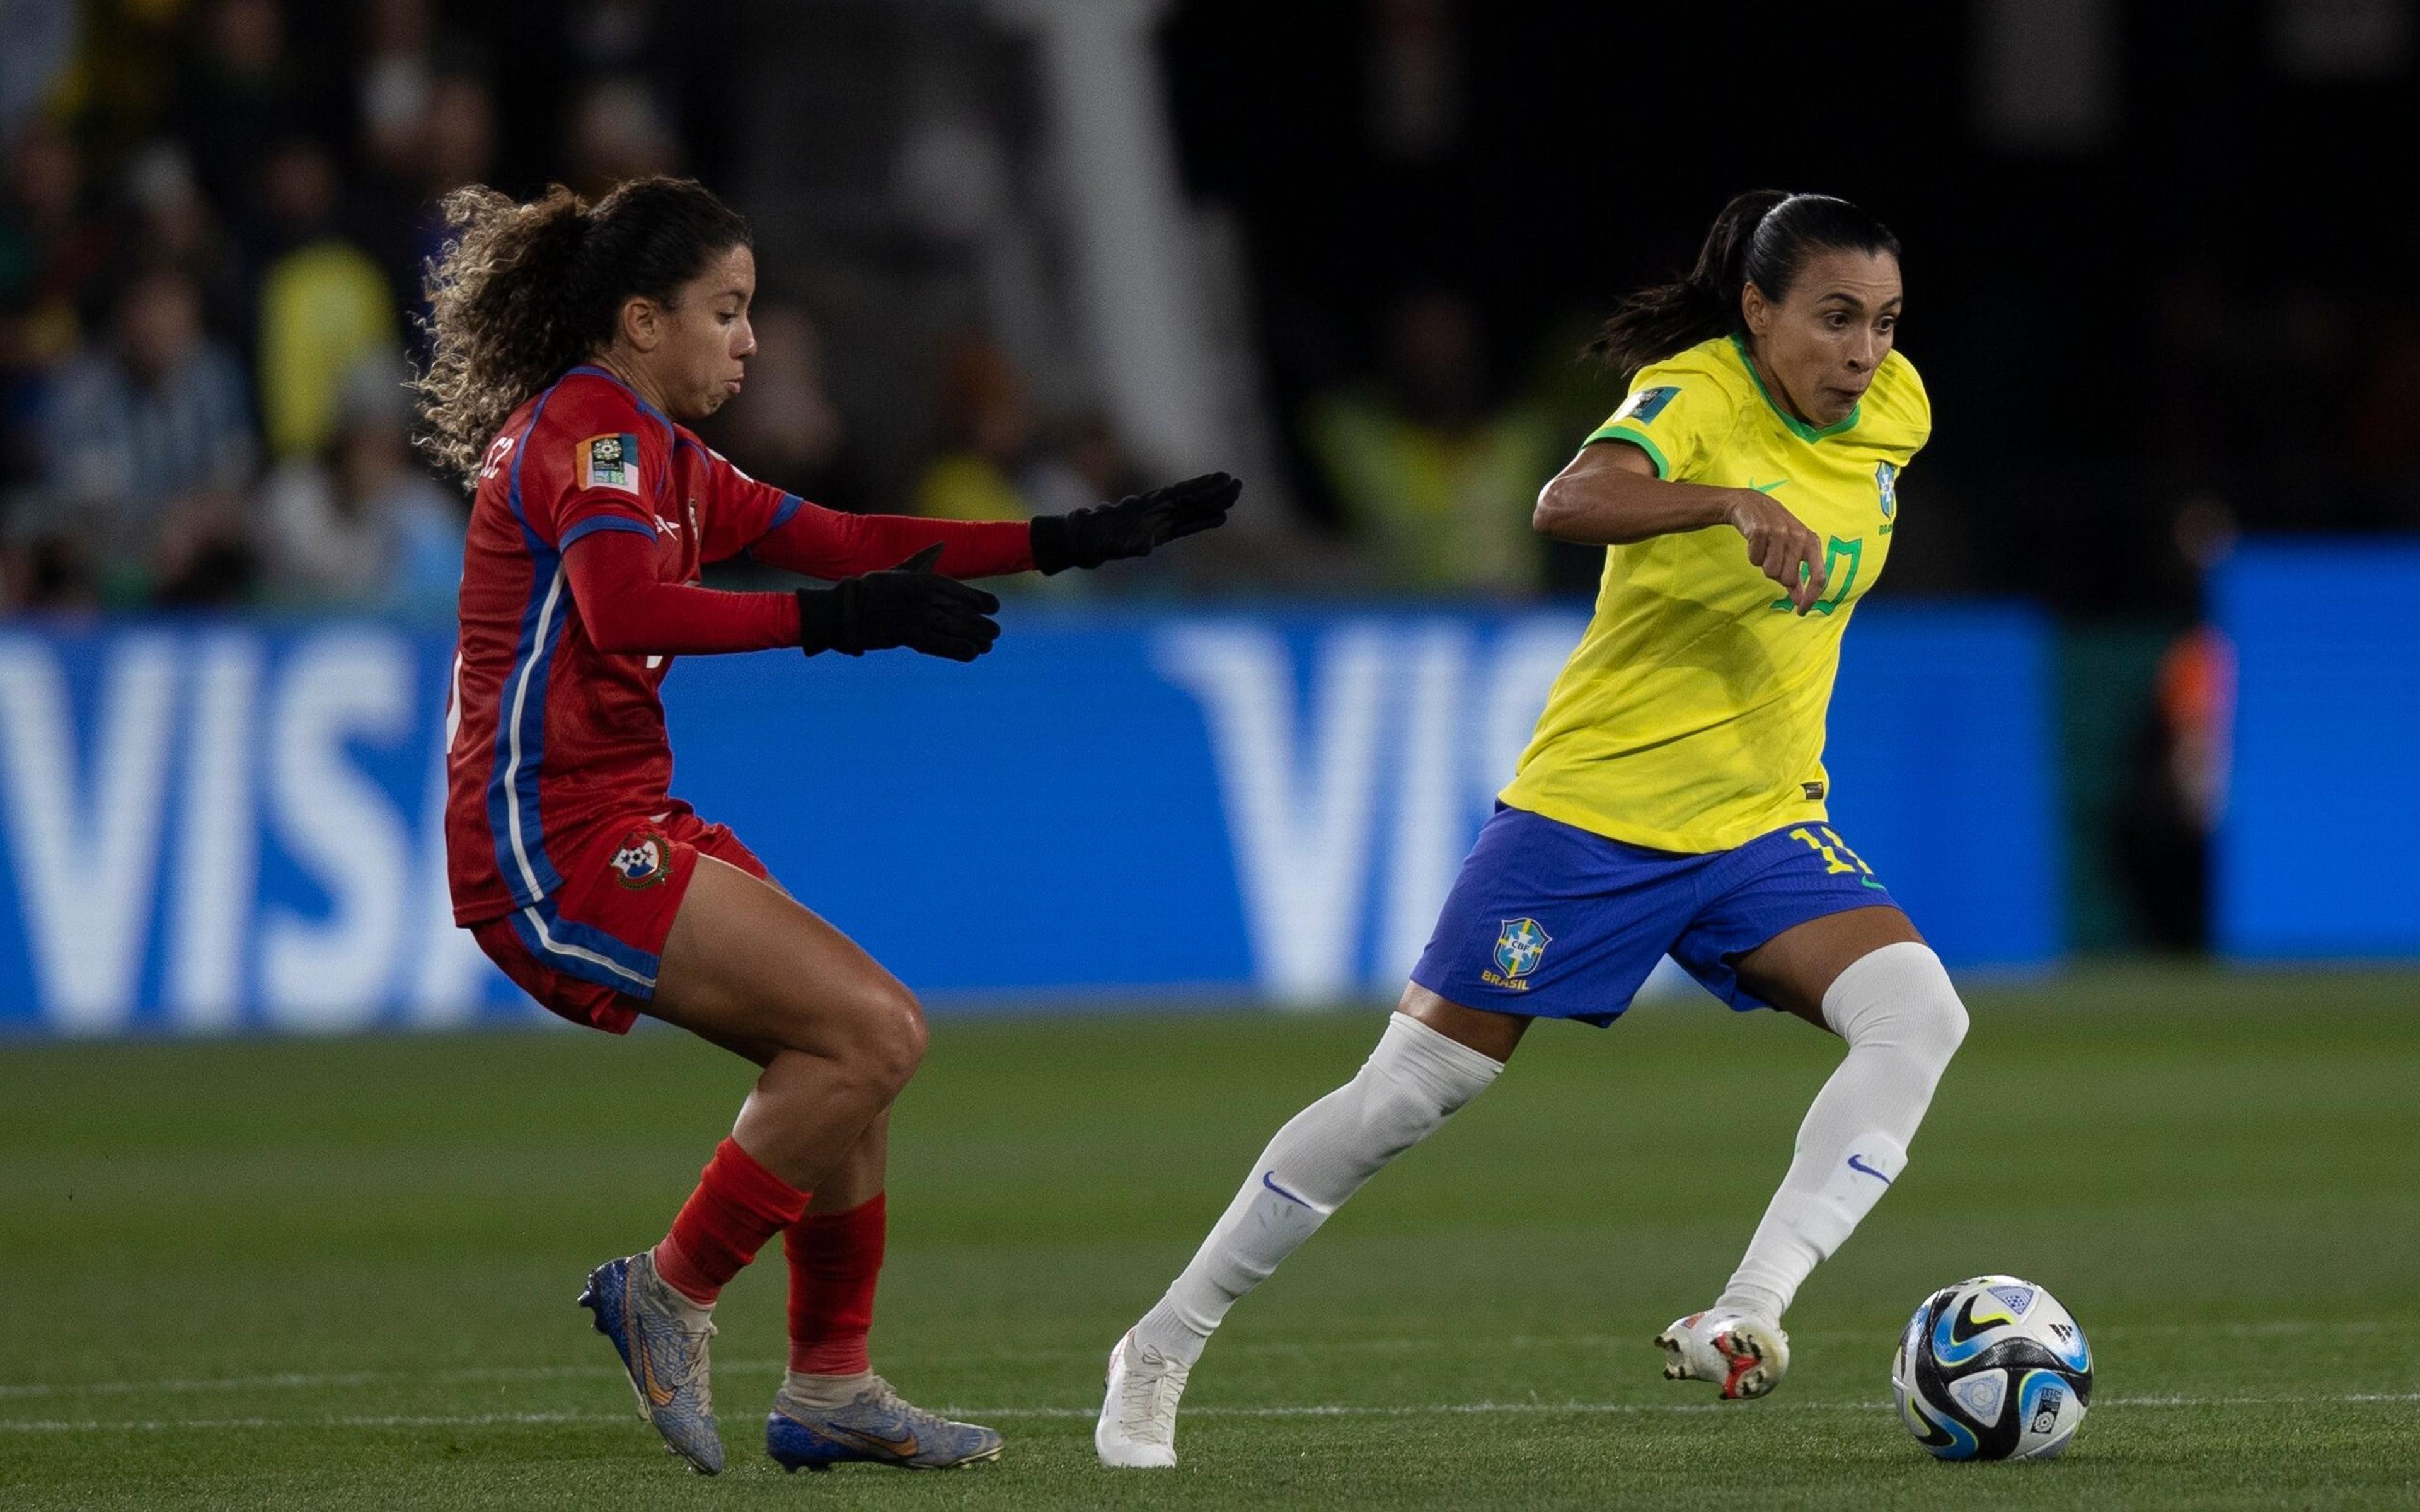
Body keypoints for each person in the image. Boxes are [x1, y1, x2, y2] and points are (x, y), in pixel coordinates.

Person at [1097, 190, 1963, 1467]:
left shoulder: (1900, 410)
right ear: (1759, 309)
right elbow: (1568, 501)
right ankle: (1163, 1342)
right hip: (1595, 818)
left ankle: (1749, 1307)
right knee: (1411, 1093)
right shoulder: (1697, 397)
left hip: (1760, 820)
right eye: (1835, 319)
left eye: (1885, 323)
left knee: (1919, 1014)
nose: (1864, 353)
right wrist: (1725, 505)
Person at [415, 175, 1238, 1477]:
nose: (748, 341)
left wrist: (1069, 538)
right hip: (548, 840)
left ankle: (832, 1387)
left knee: (848, 1048)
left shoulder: (661, 450)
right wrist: (832, 624)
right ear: (640, 320)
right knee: (875, 1031)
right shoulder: (595, 433)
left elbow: (846, 534)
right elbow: (626, 609)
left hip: (624, 810)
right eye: (725, 312)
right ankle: (669, 1294)